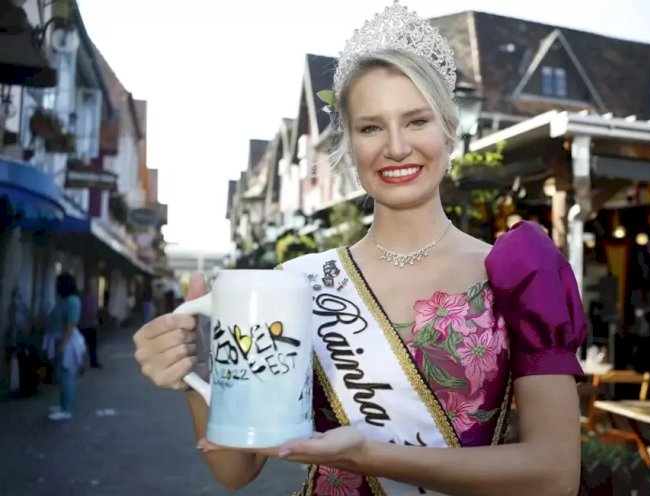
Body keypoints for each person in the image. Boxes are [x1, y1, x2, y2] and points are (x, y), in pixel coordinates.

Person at [133, 2, 586, 494]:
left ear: (450, 131)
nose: (395, 147)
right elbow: (235, 471)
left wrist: (368, 456)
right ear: (349, 145)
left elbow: (555, 474)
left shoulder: (519, 275)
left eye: (417, 121)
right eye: (371, 127)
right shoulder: (298, 282)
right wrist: (197, 371)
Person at [47, 272, 86, 421]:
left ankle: (66, 409)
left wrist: (62, 346)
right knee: (62, 375)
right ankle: (63, 404)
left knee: (67, 375)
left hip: (68, 341)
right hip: (60, 338)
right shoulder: (63, 300)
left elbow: (70, 326)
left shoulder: (72, 301)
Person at [79, 277, 102, 368]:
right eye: (90, 285)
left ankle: (94, 362)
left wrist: (97, 319)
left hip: (92, 324)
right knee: (82, 346)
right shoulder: (82, 297)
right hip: (83, 325)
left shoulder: (94, 297)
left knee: (93, 346)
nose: (92, 286)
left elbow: (96, 310)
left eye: (93, 285)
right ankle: (80, 364)